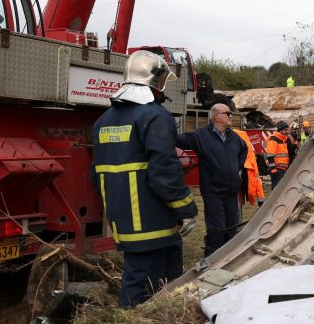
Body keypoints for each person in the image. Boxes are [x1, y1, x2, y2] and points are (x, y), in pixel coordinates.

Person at [91, 50, 198, 307]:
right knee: (147, 285)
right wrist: (186, 208)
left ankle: (159, 323)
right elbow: (164, 170)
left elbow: (96, 175)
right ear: (153, 82)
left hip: (125, 219)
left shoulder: (103, 121)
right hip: (153, 219)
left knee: (156, 277)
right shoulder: (155, 116)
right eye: (162, 82)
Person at [176, 103, 248, 257]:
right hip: (213, 192)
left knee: (231, 229)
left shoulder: (233, 136)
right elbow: (178, 140)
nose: (231, 116)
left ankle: (226, 261)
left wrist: (237, 166)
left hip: (232, 192)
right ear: (216, 116)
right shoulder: (201, 136)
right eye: (227, 113)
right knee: (216, 230)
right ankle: (209, 263)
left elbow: (244, 149)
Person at [234, 128, 265, 207]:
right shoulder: (247, 148)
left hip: (239, 182)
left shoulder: (248, 154)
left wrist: (260, 198)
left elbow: (256, 176)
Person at [265, 121, 294, 187]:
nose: (287, 131)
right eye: (285, 130)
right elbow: (270, 155)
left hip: (282, 169)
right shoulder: (273, 140)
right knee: (276, 188)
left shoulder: (282, 140)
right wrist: (273, 169)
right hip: (277, 169)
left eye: (288, 129)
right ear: (281, 130)